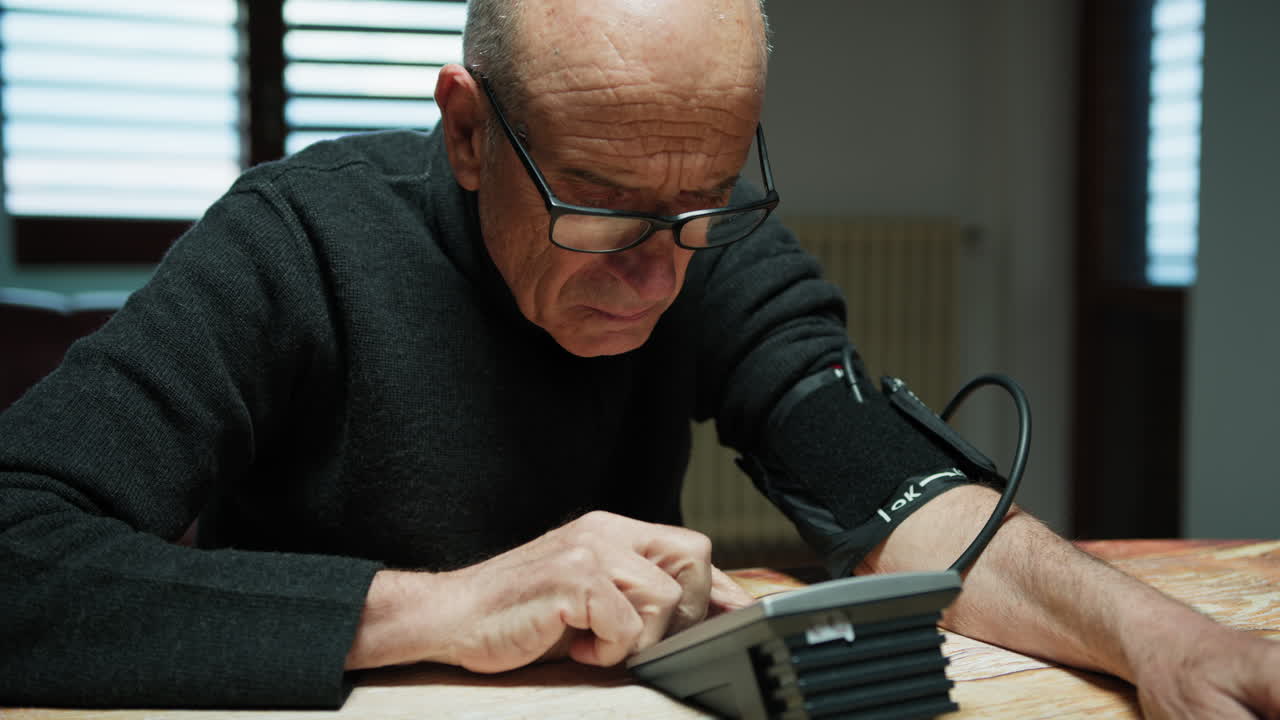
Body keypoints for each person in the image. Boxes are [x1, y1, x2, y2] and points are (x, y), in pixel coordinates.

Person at [0, 0, 1276, 716]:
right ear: (468, 135)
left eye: (702, 198)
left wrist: (1153, 637)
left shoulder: (699, 239)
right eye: (601, 206)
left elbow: (889, 491)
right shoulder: (293, 243)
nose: (662, 272)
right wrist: (439, 609)